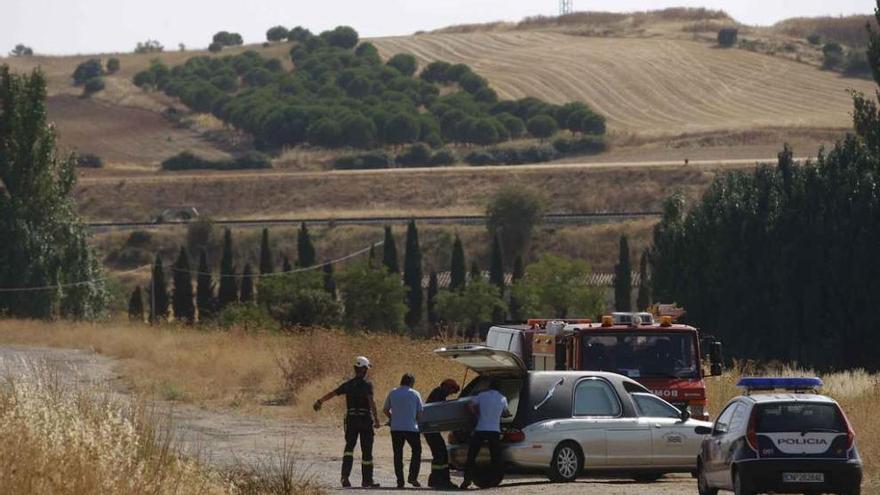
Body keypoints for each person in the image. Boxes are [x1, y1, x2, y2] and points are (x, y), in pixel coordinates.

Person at [313, 356, 381, 488]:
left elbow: (333, 393)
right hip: (365, 420)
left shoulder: (348, 384)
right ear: (364, 369)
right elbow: (371, 401)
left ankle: (345, 477)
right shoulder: (367, 384)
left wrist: (320, 401)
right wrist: (376, 419)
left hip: (351, 420)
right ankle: (367, 480)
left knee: (349, 449)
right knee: (366, 451)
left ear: (356, 369)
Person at [460, 379, 511, 490]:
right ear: (499, 388)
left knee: (472, 455)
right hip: (494, 431)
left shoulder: (482, 395)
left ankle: (466, 481)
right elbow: (506, 413)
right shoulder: (502, 398)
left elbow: (470, 405)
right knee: (496, 457)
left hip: (481, 429)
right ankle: (494, 480)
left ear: (489, 386)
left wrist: (477, 414)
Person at [383, 373, 424, 488]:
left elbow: (385, 409)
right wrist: (414, 420)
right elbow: (420, 413)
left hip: (396, 428)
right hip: (411, 428)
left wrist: (392, 418)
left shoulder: (393, 392)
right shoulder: (415, 394)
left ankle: (400, 481)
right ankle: (412, 477)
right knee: (417, 451)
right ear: (411, 382)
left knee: (398, 454)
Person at [424, 378, 460, 489]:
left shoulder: (438, 393)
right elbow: (440, 408)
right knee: (440, 454)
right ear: (447, 387)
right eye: (451, 391)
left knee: (441, 453)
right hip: (430, 428)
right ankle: (440, 480)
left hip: (431, 428)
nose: (450, 394)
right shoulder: (439, 392)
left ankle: (435, 479)